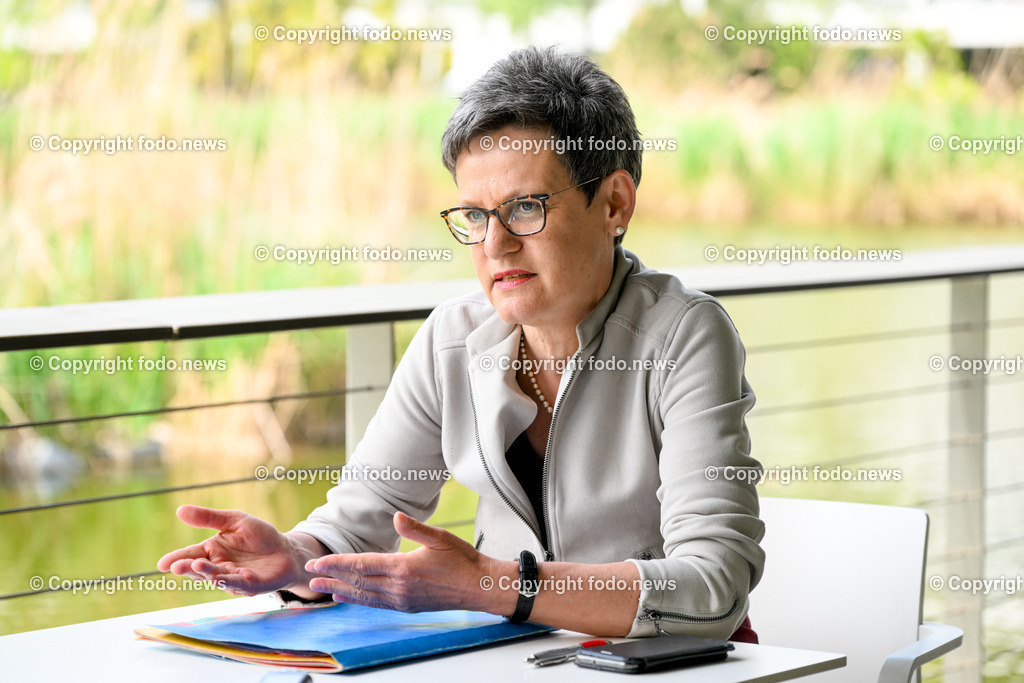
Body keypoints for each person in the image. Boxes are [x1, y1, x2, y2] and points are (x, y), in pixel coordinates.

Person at [158, 46, 764, 640]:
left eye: (525, 208)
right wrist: (295, 558)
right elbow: (361, 517)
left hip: (665, 667)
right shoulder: (452, 339)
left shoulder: (685, 335)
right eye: (475, 215)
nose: (495, 245)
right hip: (506, 663)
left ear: (614, 203)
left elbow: (714, 586)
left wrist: (489, 586)